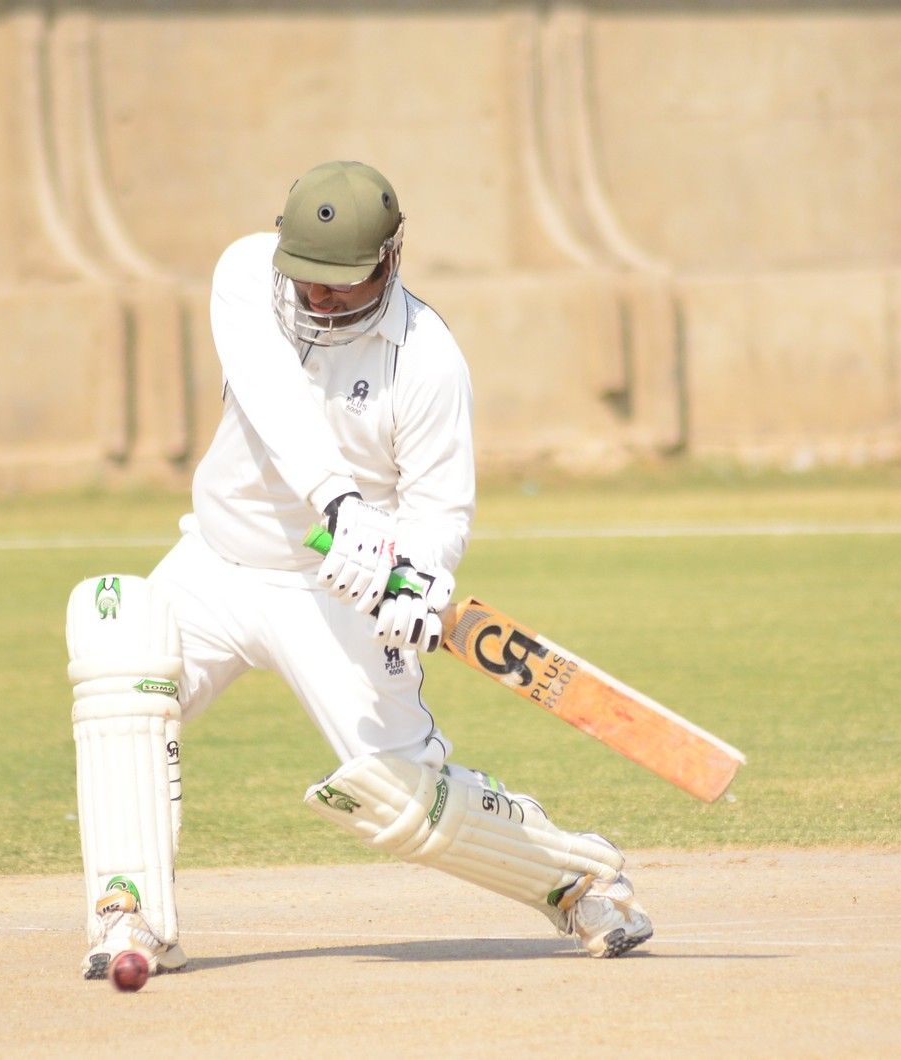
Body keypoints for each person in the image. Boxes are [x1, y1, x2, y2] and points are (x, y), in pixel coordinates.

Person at [63, 160, 653, 980]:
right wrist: (341, 503)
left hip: (335, 596)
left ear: (391, 258)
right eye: (307, 277)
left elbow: (441, 510)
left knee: (403, 799)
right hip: (215, 562)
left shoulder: (428, 360)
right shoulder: (246, 274)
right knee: (119, 645)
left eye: (342, 284)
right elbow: (275, 399)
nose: (320, 298)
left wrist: (413, 579)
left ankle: (579, 881)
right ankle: (131, 918)